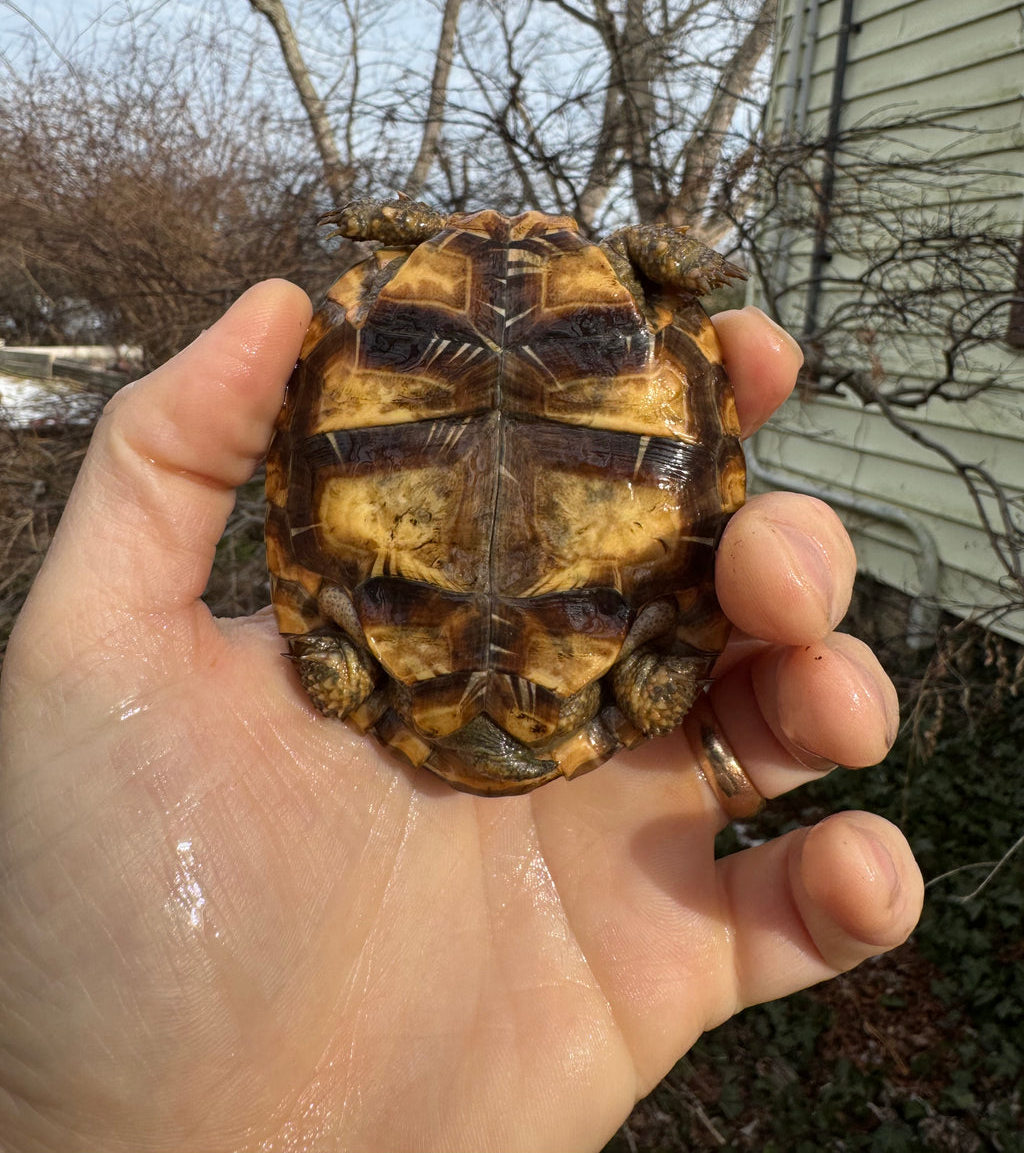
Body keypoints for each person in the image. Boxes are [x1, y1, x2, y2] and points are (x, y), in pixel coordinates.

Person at [0, 282, 923, 1153]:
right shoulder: (606, 687)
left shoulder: (368, 675)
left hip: (420, 325)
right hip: (598, 336)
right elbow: (660, 663)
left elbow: (325, 631)